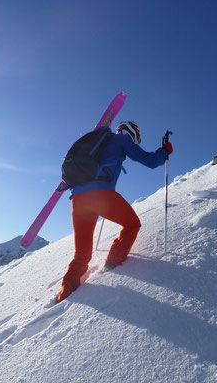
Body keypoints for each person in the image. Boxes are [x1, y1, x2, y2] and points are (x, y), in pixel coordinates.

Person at [57, 121, 173, 303]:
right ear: (132, 132)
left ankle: (66, 291)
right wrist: (164, 151)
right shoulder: (121, 140)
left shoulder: (98, 141)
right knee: (132, 224)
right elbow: (150, 161)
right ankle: (113, 262)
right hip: (100, 196)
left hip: (78, 200)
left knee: (81, 254)